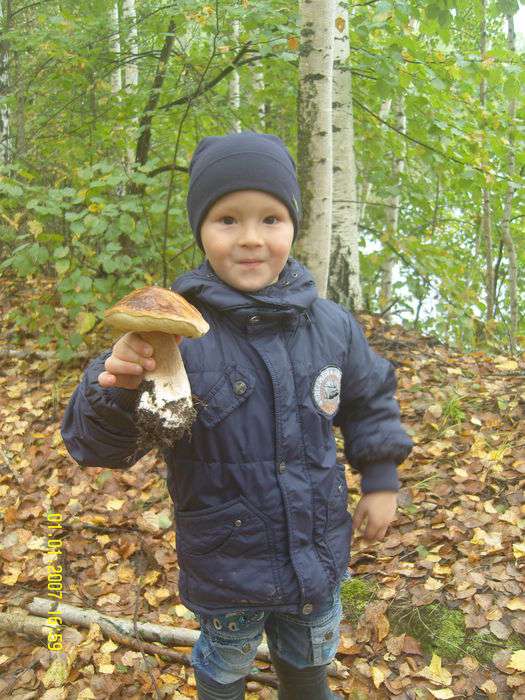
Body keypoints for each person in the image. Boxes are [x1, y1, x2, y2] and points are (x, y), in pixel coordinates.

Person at [61, 131, 413, 700]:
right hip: (227, 562)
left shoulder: (332, 326)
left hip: (316, 551)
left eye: (270, 219)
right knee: (224, 663)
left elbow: (370, 400)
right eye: (227, 219)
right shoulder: (170, 334)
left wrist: (380, 478)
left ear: (294, 225)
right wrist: (116, 387)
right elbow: (97, 447)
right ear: (201, 228)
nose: (251, 239)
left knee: (310, 653)